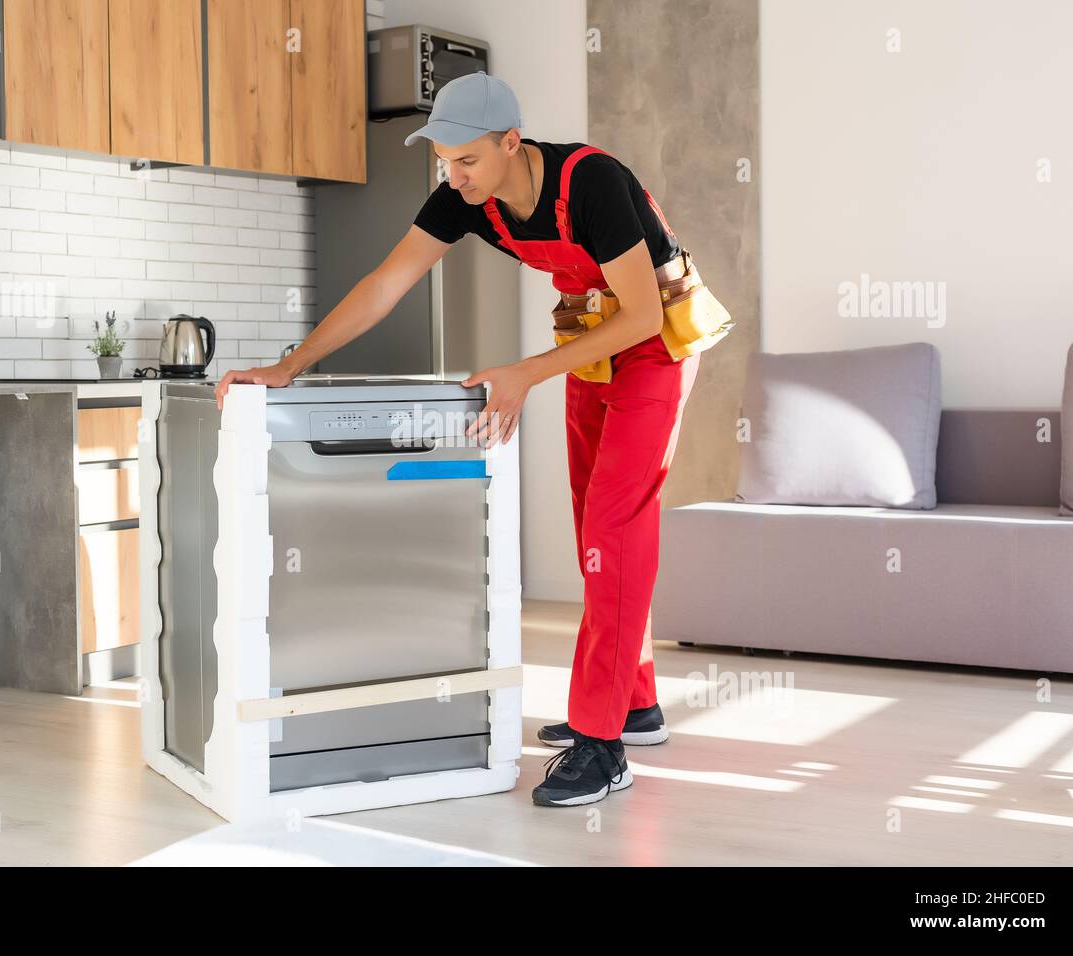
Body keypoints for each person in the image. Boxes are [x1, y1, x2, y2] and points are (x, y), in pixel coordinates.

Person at [215, 72, 716, 808]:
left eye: (468, 161)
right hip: (588, 343)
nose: (453, 176)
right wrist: (291, 367)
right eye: (444, 162)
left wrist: (525, 374)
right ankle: (633, 703)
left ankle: (603, 743)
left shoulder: (593, 182)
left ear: (511, 143)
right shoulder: (465, 197)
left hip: (654, 342)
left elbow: (642, 314)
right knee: (597, 534)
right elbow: (388, 281)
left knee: (616, 524)